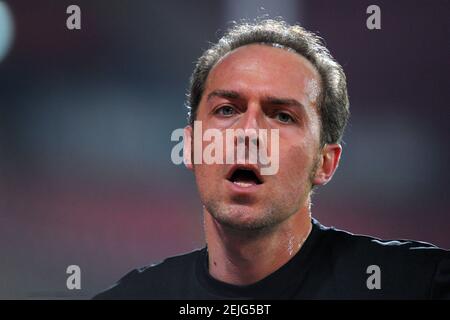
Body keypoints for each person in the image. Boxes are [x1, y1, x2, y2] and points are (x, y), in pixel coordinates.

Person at [94, 19, 449, 299]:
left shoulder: (415, 285)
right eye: (227, 109)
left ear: (325, 163)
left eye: (282, 115)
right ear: (191, 147)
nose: (249, 132)